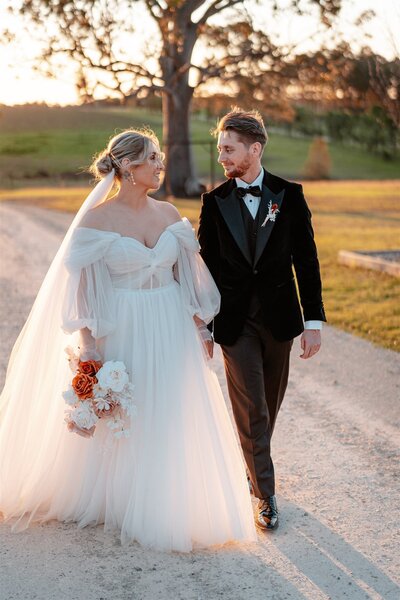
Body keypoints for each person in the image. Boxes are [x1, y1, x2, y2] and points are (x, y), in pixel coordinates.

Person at [0, 128, 257, 552]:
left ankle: (166, 494)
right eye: (152, 158)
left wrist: (198, 329)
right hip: (123, 323)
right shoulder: (96, 221)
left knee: (168, 405)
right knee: (125, 414)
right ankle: (117, 496)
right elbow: (82, 290)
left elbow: (187, 278)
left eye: (158, 157)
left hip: (169, 320)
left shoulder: (171, 214)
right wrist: (90, 348)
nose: (160, 164)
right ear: (127, 166)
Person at [198, 109, 326, 531]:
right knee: (253, 405)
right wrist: (203, 324)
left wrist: (314, 322)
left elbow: (306, 262)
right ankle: (264, 496)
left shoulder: (289, 195)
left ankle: (252, 466)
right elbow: (207, 268)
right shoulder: (214, 203)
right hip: (235, 324)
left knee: (268, 407)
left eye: (229, 150)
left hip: (280, 321)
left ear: (254, 149)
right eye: (220, 150)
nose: (222, 158)